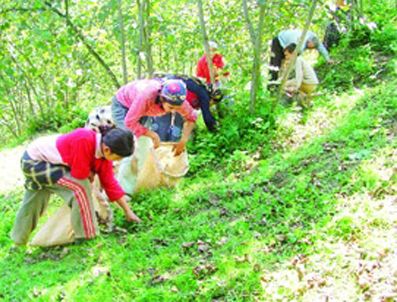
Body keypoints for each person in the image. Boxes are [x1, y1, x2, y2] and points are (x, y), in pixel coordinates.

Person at [11, 127, 141, 246]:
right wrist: (90, 172)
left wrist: (128, 211)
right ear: (107, 149)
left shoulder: (103, 157)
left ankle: (18, 241)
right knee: (80, 189)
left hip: (50, 162)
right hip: (35, 162)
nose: (116, 161)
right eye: (117, 157)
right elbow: (80, 174)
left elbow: (110, 184)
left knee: (34, 200)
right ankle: (87, 237)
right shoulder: (83, 139)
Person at [111, 79, 197, 155]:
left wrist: (183, 141)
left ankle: (143, 167)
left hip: (143, 111)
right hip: (123, 104)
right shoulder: (147, 96)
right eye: (171, 107)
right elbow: (129, 122)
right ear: (162, 99)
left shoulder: (178, 100)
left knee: (143, 143)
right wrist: (153, 135)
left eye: (177, 108)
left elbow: (191, 118)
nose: (173, 111)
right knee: (128, 141)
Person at [150, 74, 223, 141]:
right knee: (176, 124)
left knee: (167, 124)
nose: (211, 105)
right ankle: (168, 144)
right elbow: (207, 117)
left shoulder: (199, 88)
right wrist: (215, 130)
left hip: (172, 99)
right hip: (175, 101)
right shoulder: (204, 95)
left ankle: (165, 142)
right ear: (212, 98)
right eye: (213, 103)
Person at [282, 43, 319, 107]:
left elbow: (299, 76)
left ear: (293, 54)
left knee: (285, 85)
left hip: (310, 84)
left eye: (287, 55)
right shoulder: (298, 60)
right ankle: (305, 100)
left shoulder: (298, 60)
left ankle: (301, 98)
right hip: (310, 83)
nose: (286, 57)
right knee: (286, 82)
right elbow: (289, 75)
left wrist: (295, 88)